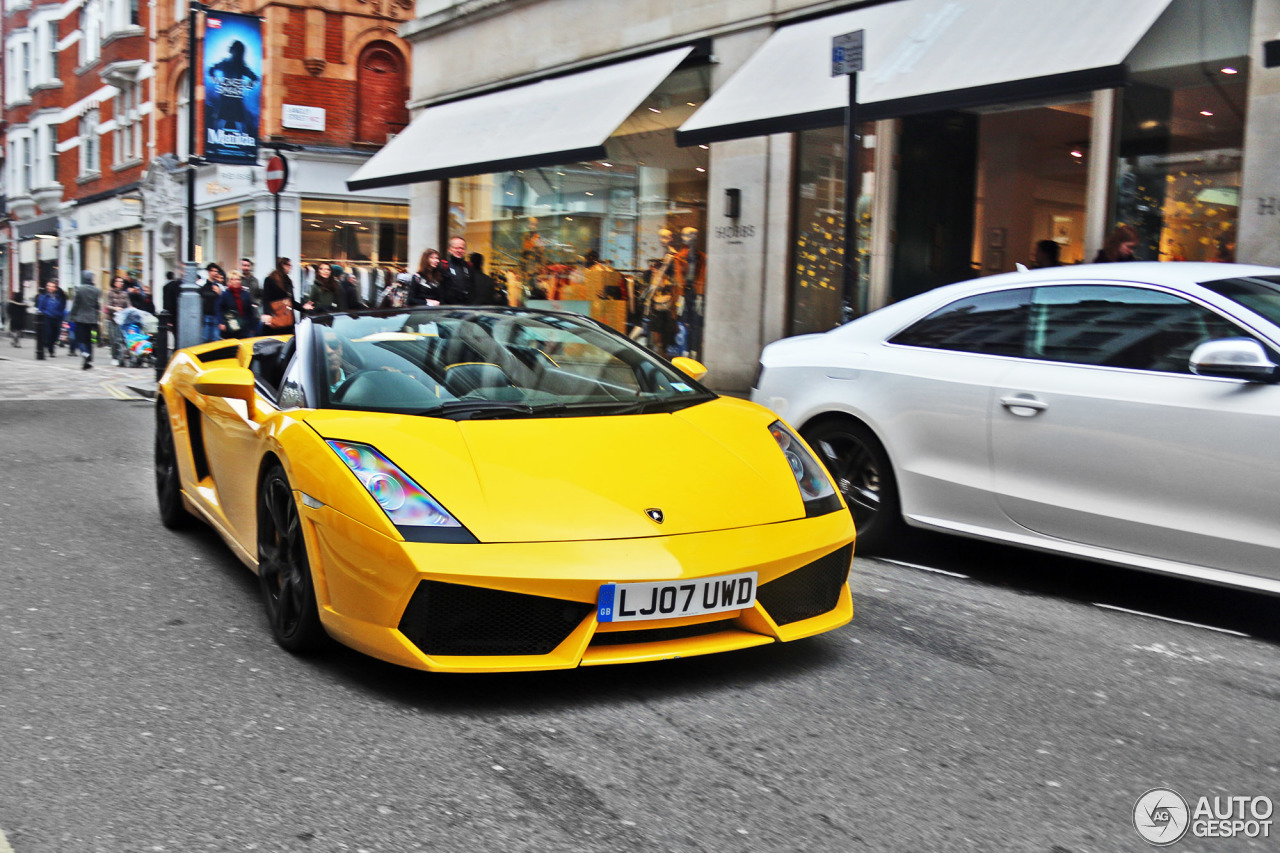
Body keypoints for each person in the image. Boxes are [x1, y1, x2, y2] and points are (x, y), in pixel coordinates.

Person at [67, 271, 101, 369]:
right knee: (89, 340)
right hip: (92, 319)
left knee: (80, 340)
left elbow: (75, 305)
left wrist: (70, 316)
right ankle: (88, 362)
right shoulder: (97, 291)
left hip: (80, 319)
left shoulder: (79, 289)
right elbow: (97, 306)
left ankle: (85, 353)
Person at [217, 271, 259, 339]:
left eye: (238, 279)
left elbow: (250, 311)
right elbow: (219, 309)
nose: (236, 281)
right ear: (230, 281)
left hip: (244, 327)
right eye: (233, 279)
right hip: (230, 326)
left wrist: (253, 326)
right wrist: (221, 322)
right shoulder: (225, 294)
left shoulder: (245, 294)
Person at [104, 275, 133, 364]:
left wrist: (131, 309)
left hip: (122, 319)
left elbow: (128, 305)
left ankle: (121, 355)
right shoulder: (110, 293)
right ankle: (114, 356)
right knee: (114, 339)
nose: (121, 283)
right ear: (114, 283)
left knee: (121, 338)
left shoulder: (124, 294)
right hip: (112, 319)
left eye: (122, 282)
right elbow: (107, 305)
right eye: (119, 281)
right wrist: (115, 308)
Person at [261, 257, 295, 333]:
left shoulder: (288, 281)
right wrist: (267, 313)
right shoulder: (270, 279)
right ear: (283, 265)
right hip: (275, 316)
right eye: (289, 265)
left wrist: (303, 307)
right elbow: (266, 298)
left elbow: (292, 301)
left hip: (287, 317)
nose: (291, 268)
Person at [440, 236, 476, 305]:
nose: (459, 251)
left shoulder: (469, 266)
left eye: (462, 248)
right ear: (449, 249)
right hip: (447, 309)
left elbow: (473, 289)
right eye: (456, 248)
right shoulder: (444, 266)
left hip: (466, 308)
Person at [35, 280, 65, 359]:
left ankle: (50, 346)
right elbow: (40, 308)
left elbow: (63, 304)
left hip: (57, 317)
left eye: (52, 286)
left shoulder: (58, 297)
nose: (50, 288)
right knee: (49, 334)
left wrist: (61, 314)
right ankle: (51, 350)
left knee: (56, 335)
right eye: (48, 286)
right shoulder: (44, 297)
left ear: (55, 288)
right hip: (47, 318)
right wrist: (43, 313)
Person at [200, 264, 225, 343]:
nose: (215, 273)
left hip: (216, 315)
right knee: (205, 338)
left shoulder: (220, 286)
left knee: (215, 339)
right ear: (209, 272)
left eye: (216, 271)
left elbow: (223, 300)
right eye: (213, 271)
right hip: (206, 314)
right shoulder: (202, 284)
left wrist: (220, 293)